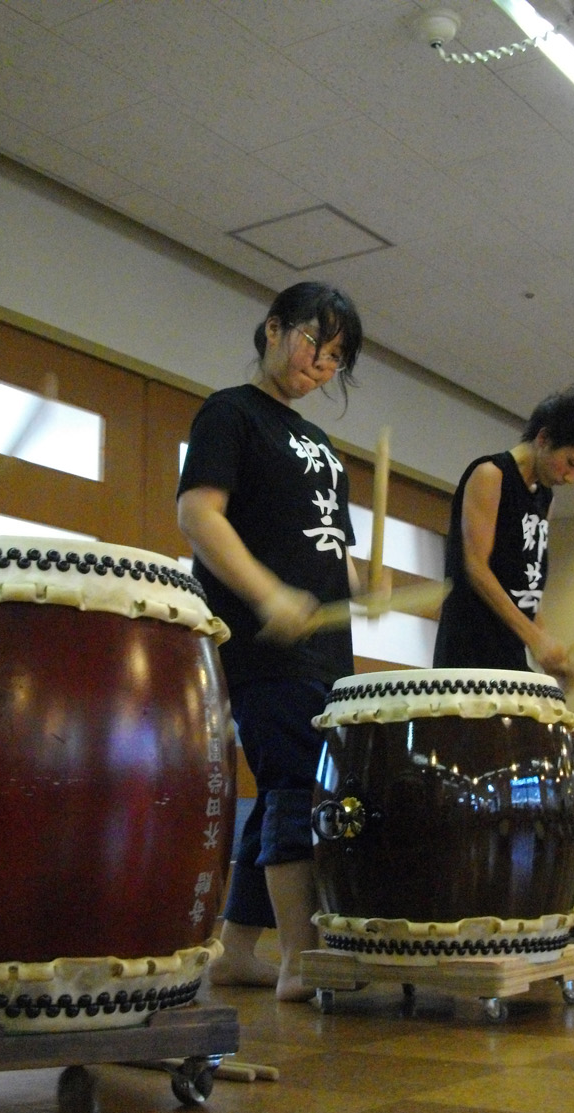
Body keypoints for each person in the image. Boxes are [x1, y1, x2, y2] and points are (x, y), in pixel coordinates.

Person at [177, 281, 368, 1002]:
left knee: (300, 785)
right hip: (264, 641)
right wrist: (265, 594)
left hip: (327, 648)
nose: (318, 365)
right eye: (311, 343)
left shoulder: (319, 444)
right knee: (294, 783)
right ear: (273, 328)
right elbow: (198, 515)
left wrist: (356, 582)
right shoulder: (229, 412)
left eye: (333, 359)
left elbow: (330, 550)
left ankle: (237, 949)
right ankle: (300, 957)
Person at [432, 386, 574, 683]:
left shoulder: (544, 497)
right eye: (571, 463)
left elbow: (528, 584)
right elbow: (476, 569)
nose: (571, 478)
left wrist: (548, 648)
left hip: (511, 650)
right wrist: (535, 638)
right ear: (543, 438)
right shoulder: (490, 475)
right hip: (470, 648)